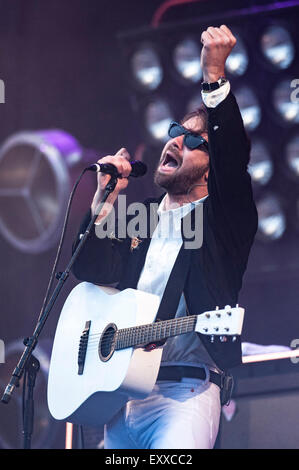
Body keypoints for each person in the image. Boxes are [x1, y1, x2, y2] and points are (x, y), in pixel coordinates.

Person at [71, 25, 258, 449]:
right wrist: (104, 200)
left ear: (213, 166)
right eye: (177, 130)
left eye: (195, 140)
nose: (177, 139)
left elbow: (234, 159)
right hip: (121, 397)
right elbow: (91, 269)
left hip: (184, 397)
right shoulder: (142, 217)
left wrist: (214, 75)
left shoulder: (224, 220)